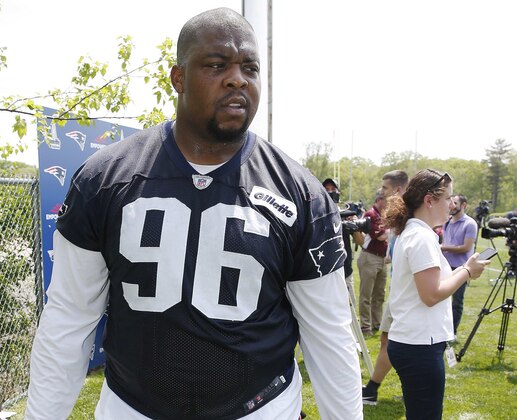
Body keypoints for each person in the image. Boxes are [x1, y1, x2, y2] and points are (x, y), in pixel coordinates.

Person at [26, 8, 362, 420]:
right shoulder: (104, 179)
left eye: (250, 68)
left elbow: (328, 334)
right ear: (179, 78)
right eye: (217, 65)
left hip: (260, 408)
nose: (237, 78)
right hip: (134, 408)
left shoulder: (300, 193)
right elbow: (69, 318)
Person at [383, 169, 490, 419]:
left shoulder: (415, 232)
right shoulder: (421, 237)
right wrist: (467, 272)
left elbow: (435, 283)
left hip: (413, 340)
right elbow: (431, 295)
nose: (452, 205)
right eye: (447, 198)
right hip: (419, 344)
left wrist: (465, 268)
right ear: (429, 200)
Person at [362, 169, 408, 405]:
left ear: (398, 190)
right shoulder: (399, 218)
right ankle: (372, 389)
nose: (382, 192)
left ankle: (409, 389)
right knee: (387, 340)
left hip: (410, 295)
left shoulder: (412, 219)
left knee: (406, 344)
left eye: (386, 189)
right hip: (398, 290)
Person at [322, 177, 365, 306]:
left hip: (345, 271)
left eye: (333, 189)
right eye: (327, 189)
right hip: (326, 274)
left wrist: (354, 225)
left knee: (350, 311)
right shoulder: (317, 214)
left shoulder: (346, 214)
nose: (330, 192)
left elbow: (361, 241)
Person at [441, 194, 477, 336]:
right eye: (451, 202)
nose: (451, 205)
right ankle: (442, 330)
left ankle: (452, 332)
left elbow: (466, 247)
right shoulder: (447, 222)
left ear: (463, 205)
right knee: (442, 300)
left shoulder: (470, 224)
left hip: (462, 267)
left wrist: (444, 248)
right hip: (446, 265)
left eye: (455, 203)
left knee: (456, 301)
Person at [357, 190, 388, 334]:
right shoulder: (371, 214)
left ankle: (377, 322)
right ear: (379, 200)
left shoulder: (383, 215)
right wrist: (389, 231)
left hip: (381, 258)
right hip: (370, 257)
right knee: (366, 294)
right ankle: (365, 325)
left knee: (379, 294)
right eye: (386, 200)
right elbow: (380, 236)